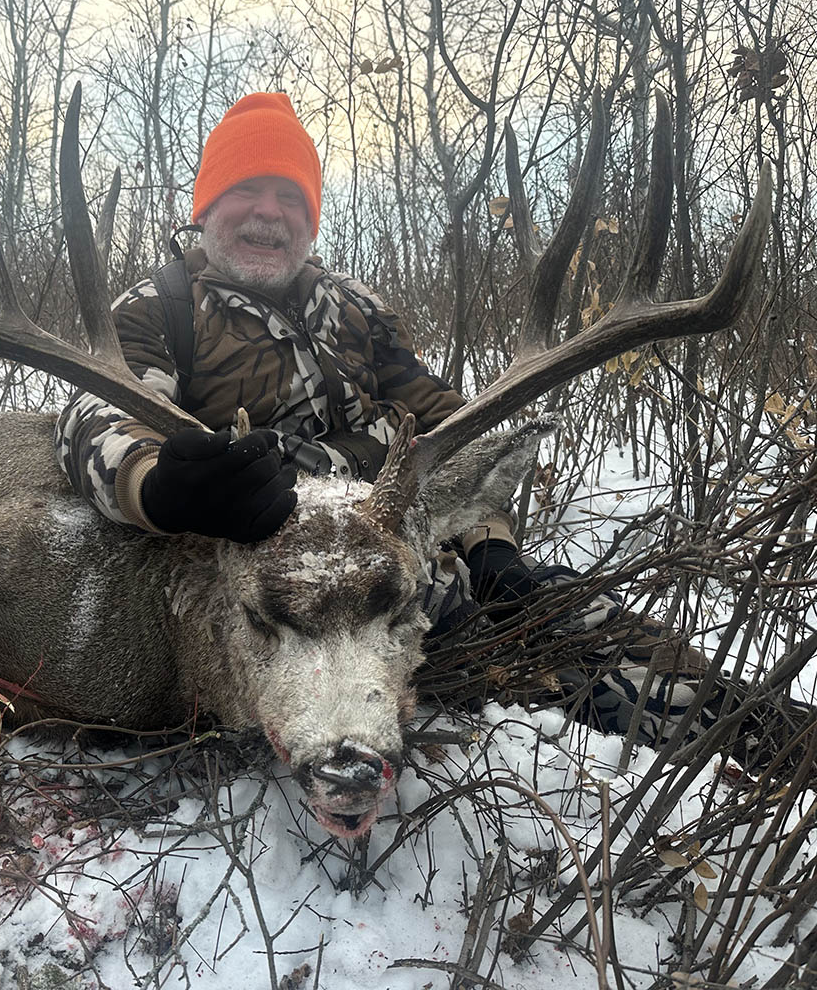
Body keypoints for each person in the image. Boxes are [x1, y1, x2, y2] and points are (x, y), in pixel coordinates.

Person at [53, 92, 806, 766]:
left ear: (310, 217)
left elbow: (455, 428)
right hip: (278, 593)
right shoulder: (156, 310)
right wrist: (166, 490)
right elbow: (93, 424)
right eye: (245, 189)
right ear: (206, 206)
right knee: (518, 670)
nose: (268, 212)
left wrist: (492, 548)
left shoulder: (353, 309)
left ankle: (764, 733)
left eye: (290, 196)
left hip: (401, 566)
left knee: (566, 616)